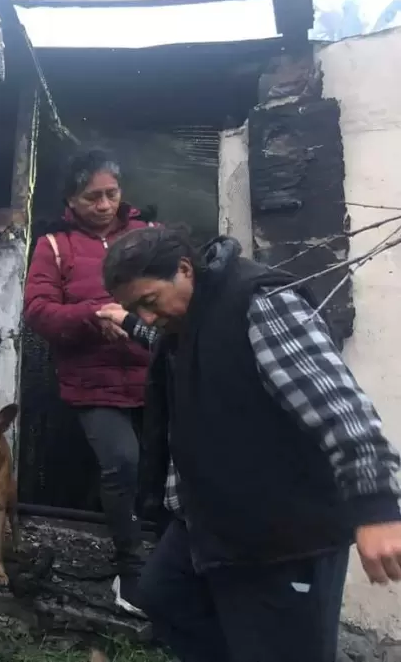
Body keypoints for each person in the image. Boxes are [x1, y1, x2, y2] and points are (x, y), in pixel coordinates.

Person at [100, 226, 401, 662]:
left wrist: (376, 508)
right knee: (165, 595)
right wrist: (127, 321)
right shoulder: (187, 318)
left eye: (148, 302)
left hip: (285, 536)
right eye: (135, 308)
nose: (147, 316)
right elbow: (186, 342)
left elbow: (344, 410)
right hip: (215, 522)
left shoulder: (260, 306)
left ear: (185, 269)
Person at [22, 150, 153, 613]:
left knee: (168, 470)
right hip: (92, 381)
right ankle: (131, 572)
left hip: (153, 372)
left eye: (111, 194)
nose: (103, 205)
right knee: (121, 463)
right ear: (71, 200)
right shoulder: (54, 246)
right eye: (91, 197)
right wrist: (91, 314)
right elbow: (37, 311)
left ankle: (178, 564)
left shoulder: (146, 235)